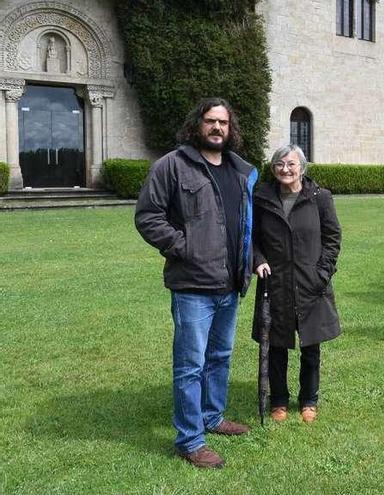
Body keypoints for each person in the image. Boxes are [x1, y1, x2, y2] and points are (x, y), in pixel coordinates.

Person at [134, 97, 258, 469]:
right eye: (210, 121)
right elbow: (148, 216)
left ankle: (213, 416)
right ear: (197, 125)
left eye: (223, 122)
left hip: (230, 283)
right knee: (190, 365)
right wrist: (182, 245)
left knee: (219, 358)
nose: (217, 128)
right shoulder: (172, 166)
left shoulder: (240, 170)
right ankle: (190, 440)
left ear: (230, 128)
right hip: (192, 285)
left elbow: (247, 223)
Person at [251, 144, 342, 424]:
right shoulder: (262, 199)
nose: (285, 169)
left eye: (291, 164)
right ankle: (279, 399)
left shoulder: (320, 198)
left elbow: (332, 238)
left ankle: (308, 400)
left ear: (302, 167)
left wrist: (321, 273)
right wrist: (258, 259)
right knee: (276, 345)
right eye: (279, 164)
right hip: (274, 283)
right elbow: (250, 237)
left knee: (310, 345)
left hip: (310, 283)